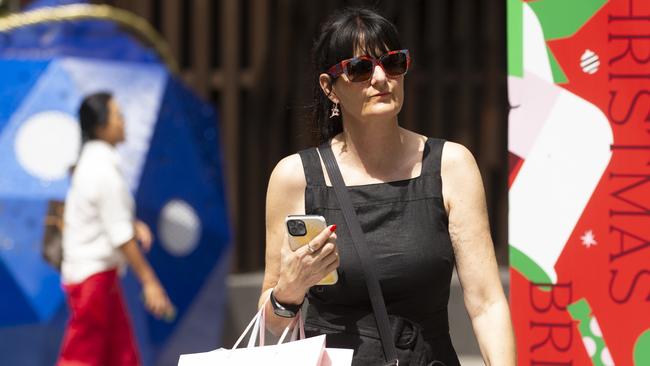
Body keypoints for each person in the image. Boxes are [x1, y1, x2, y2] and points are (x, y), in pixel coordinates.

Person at [259, 7, 516, 366]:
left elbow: (487, 303)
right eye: (360, 69)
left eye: (393, 63)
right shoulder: (295, 177)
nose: (381, 78)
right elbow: (271, 324)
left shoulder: (450, 166)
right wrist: (290, 289)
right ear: (329, 88)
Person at [57, 92, 174, 366]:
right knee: (82, 357)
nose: (124, 122)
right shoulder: (102, 170)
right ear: (101, 126)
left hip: (99, 278)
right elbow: (120, 236)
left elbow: (110, 219)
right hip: (93, 279)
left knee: (120, 356)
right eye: (118, 116)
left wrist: (131, 225)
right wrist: (149, 281)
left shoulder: (94, 165)